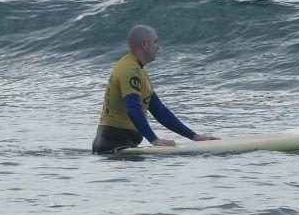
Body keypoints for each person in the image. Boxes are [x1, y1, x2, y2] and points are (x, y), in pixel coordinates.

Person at [91, 24, 217, 153]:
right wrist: (154, 140)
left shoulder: (138, 71)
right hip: (113, 147)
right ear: (145, 44)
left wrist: (194, 136)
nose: (158, 47)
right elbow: (133, 108)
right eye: (156, 42)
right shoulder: (130, 70)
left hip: (119, 147)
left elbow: (160, 111)